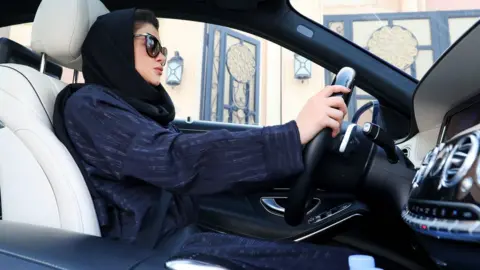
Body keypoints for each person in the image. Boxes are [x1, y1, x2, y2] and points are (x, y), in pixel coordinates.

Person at [52, 8, 358, 270]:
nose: (161, 57)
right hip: (150, 253)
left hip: (182, 238)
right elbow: (175, 160)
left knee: (345, 261)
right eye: (151, 44)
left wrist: (294, 151)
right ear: (115, 47)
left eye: (163, 49)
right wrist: (293, 134)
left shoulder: (134, 110)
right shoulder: (91, 106)